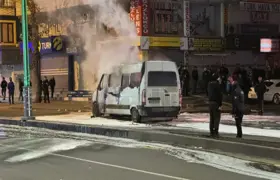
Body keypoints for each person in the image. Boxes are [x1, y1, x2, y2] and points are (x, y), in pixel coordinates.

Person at [207, 73, 223, 137]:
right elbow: (219, 95)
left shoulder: (209, 84)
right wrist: (220, 105)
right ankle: (216, 131)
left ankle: (211, 131)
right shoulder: (217, 84)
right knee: (217, 118)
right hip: (216, 103)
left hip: (210, 102)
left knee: (211, 118)